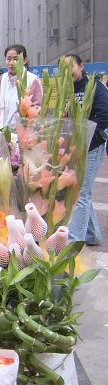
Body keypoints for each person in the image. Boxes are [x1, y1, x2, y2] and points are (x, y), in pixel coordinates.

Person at [66, 53, 108, 246]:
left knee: (81, 192)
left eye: (70, 67)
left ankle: (75, 242)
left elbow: (104, 116)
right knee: (80, 191)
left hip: (91, 147)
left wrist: (89, 142)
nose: (67, 72)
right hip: (74, 147)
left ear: (81, 66)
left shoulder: (96, 87)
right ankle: (92, 234)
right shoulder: (65, 89)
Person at [0, 44, 43, 128]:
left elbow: (37, 106)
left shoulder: (33, 79)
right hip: (3, 129)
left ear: (25, 60)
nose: (12, 63)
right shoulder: (2, 79)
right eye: (8, 59)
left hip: (24, 130)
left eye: (16, 59)